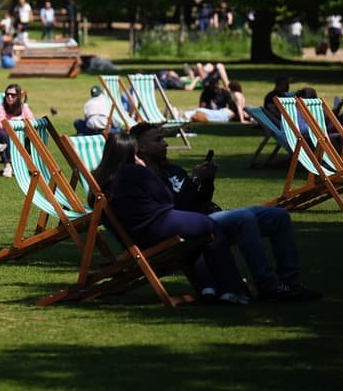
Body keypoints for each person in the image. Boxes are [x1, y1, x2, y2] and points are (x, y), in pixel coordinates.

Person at [140, 131, 321, 302]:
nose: (165, 143)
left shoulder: (174, 170)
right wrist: (195, 179)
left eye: (163, 138)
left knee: (278, 216)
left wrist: (207, 180)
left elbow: (198, 200)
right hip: (191, 227)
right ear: (142, 147)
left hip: (208, 217)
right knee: (243, 217)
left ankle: (290, 283)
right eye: (158, 140)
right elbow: (175, 209)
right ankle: (268, 285)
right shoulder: (145, 178)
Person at [92, 127, 249, 304]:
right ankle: (231, 289)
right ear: (131, 152)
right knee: (211, 227)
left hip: (135, 236)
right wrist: (145, 170)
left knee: (194, 236)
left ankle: (208, 288)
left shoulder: (101, 179)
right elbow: (167, 198)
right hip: (158, 224)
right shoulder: (138, 172)